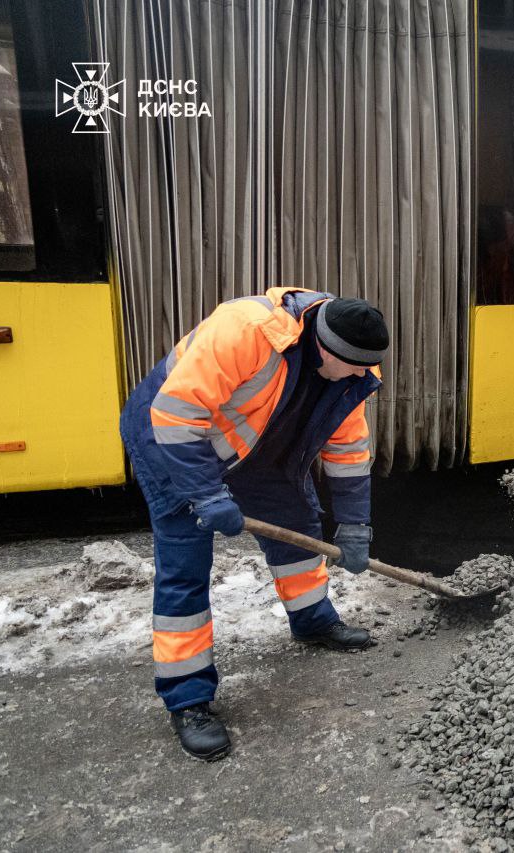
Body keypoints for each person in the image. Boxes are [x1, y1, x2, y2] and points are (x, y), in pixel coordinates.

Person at [119, 288, 389, 761]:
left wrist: (354, 527)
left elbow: (347, 453)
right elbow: (176, 415)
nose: (364, 376)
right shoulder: (245, 330)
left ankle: (312, 620)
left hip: (260, 451)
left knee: (300, 524)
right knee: (186, 562)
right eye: (355, 367)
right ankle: (188, 699)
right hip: (174, 442)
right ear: (326, 348)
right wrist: (206, 493)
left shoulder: (351, 372)